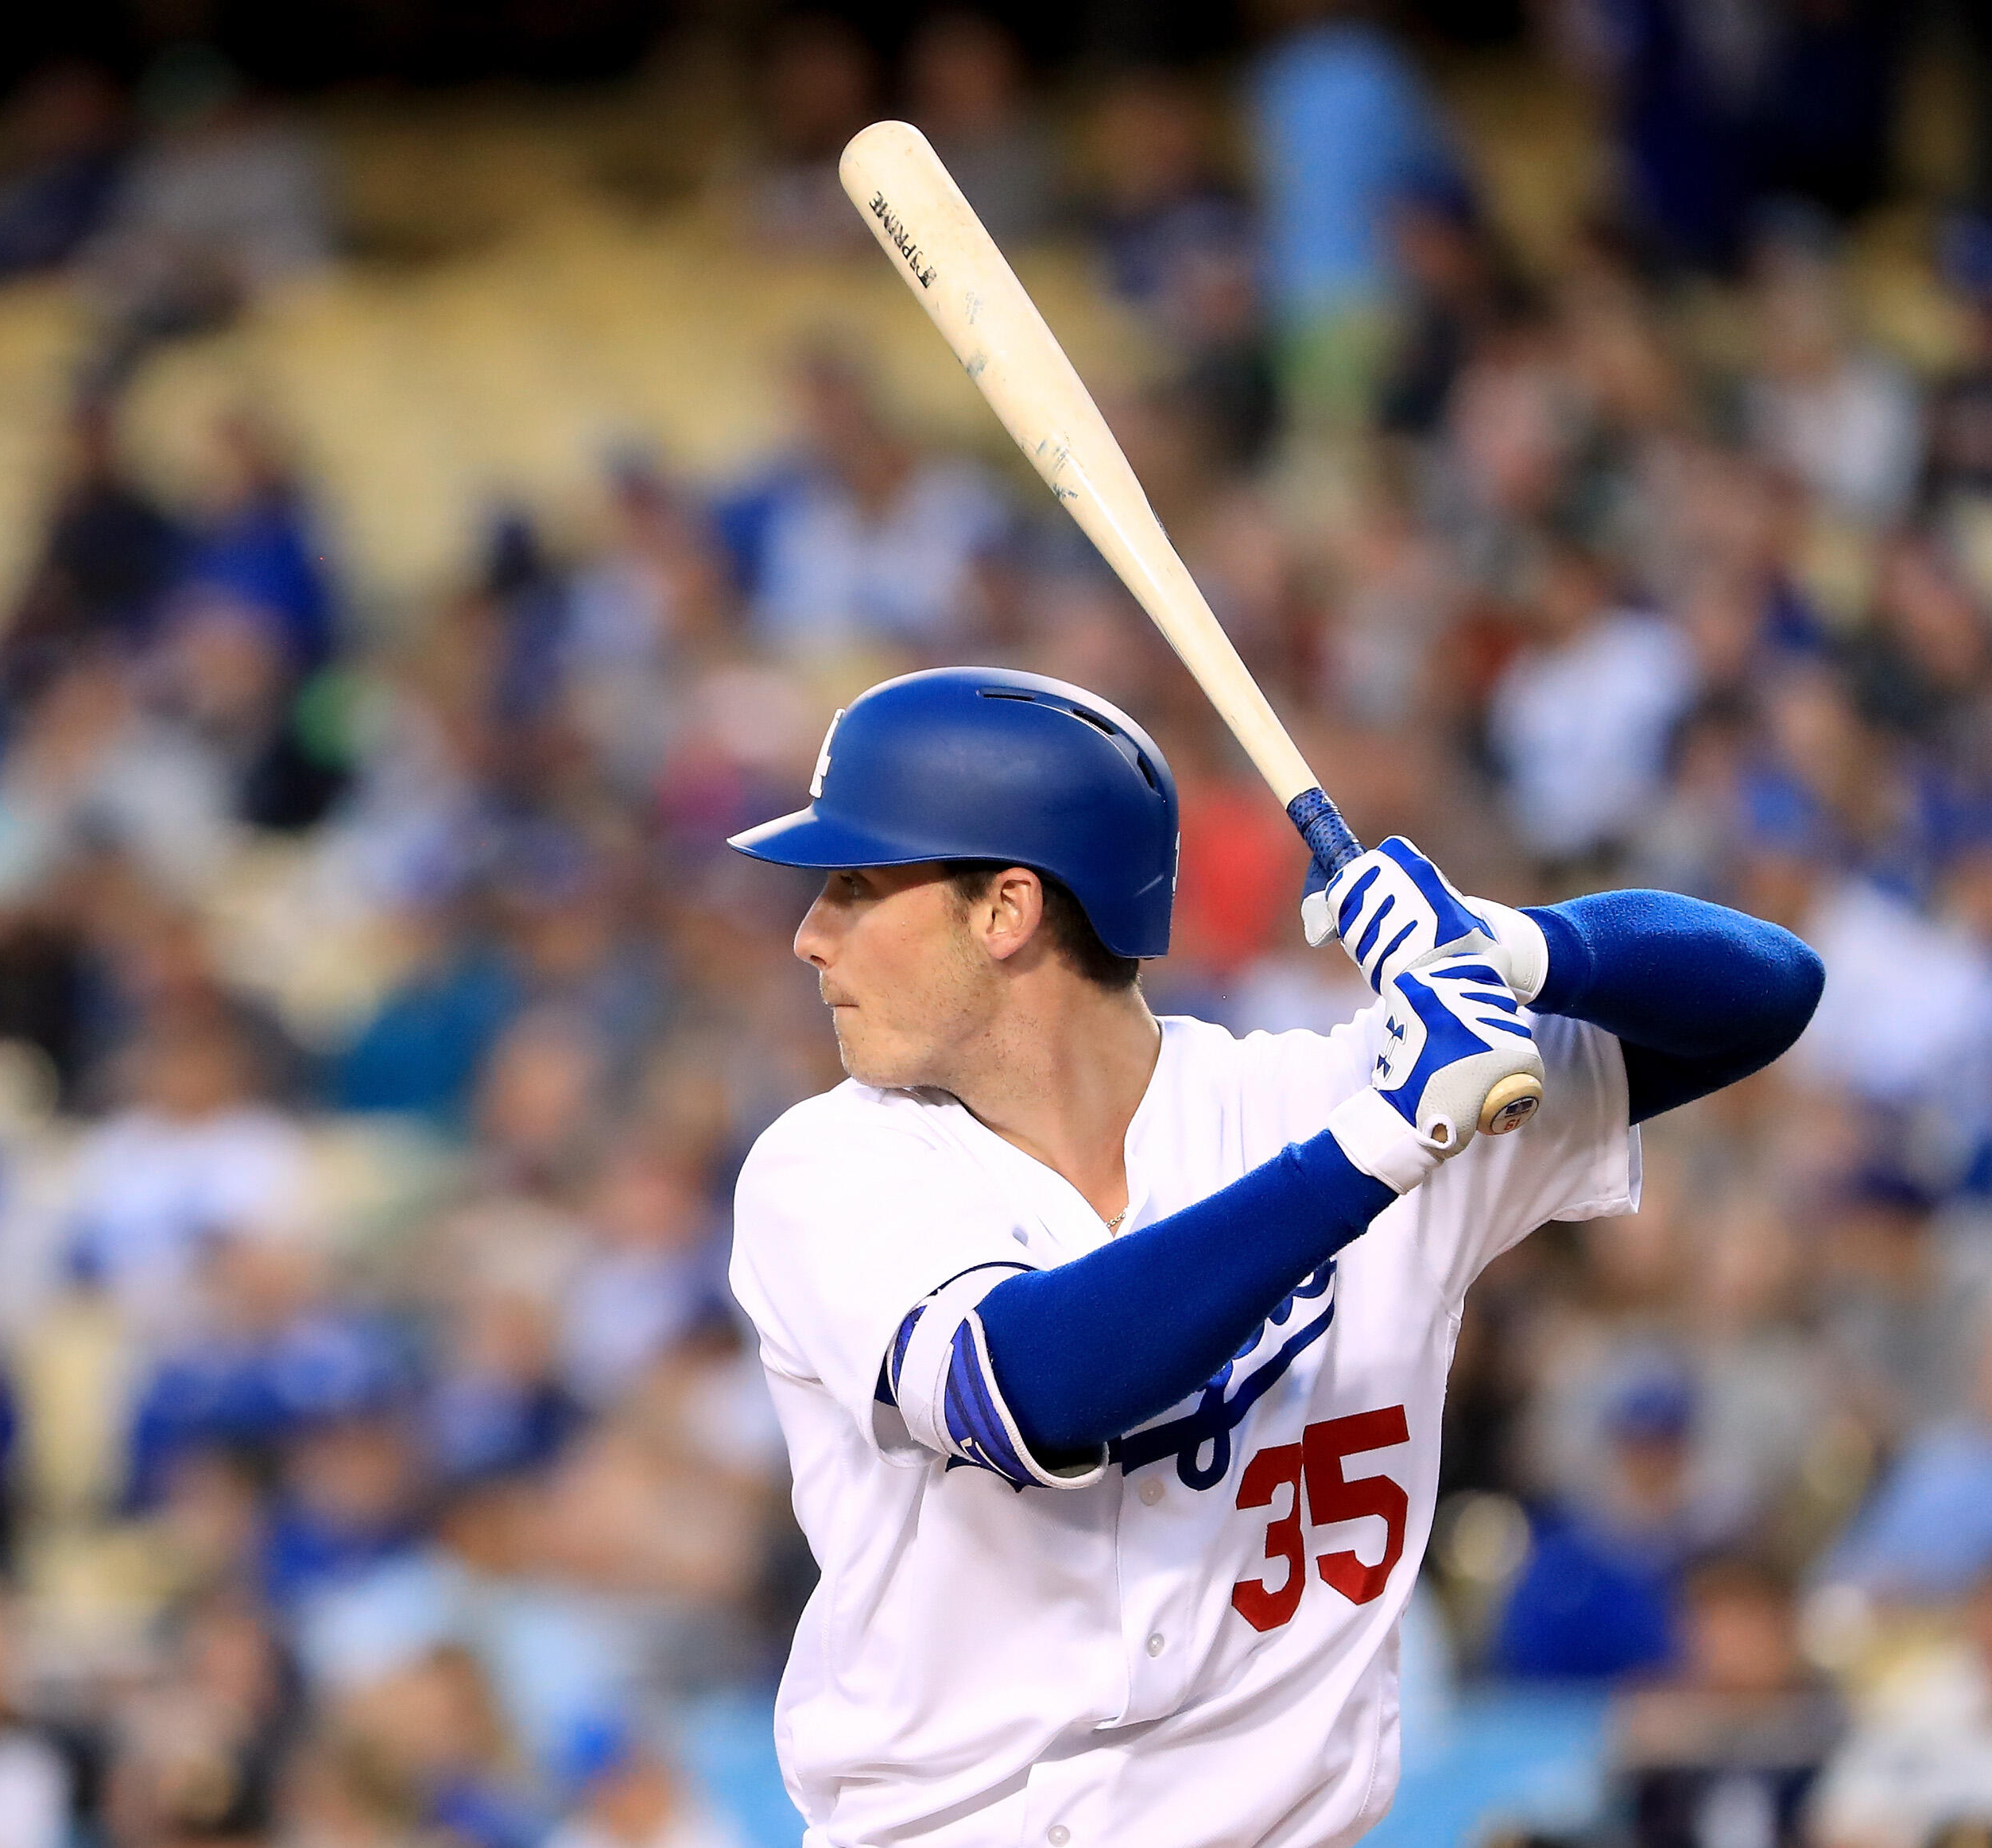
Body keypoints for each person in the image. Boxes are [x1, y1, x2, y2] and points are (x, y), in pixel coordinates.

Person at [724, 664, 1821, 1848]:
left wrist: (1516, 946)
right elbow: (1038, 1386)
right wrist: (1381, 1144)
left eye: (852, 884)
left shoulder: (1322, 1095)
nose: (809, 936)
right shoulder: (827, 1169)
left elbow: (1768, 990)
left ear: (1005, 909)